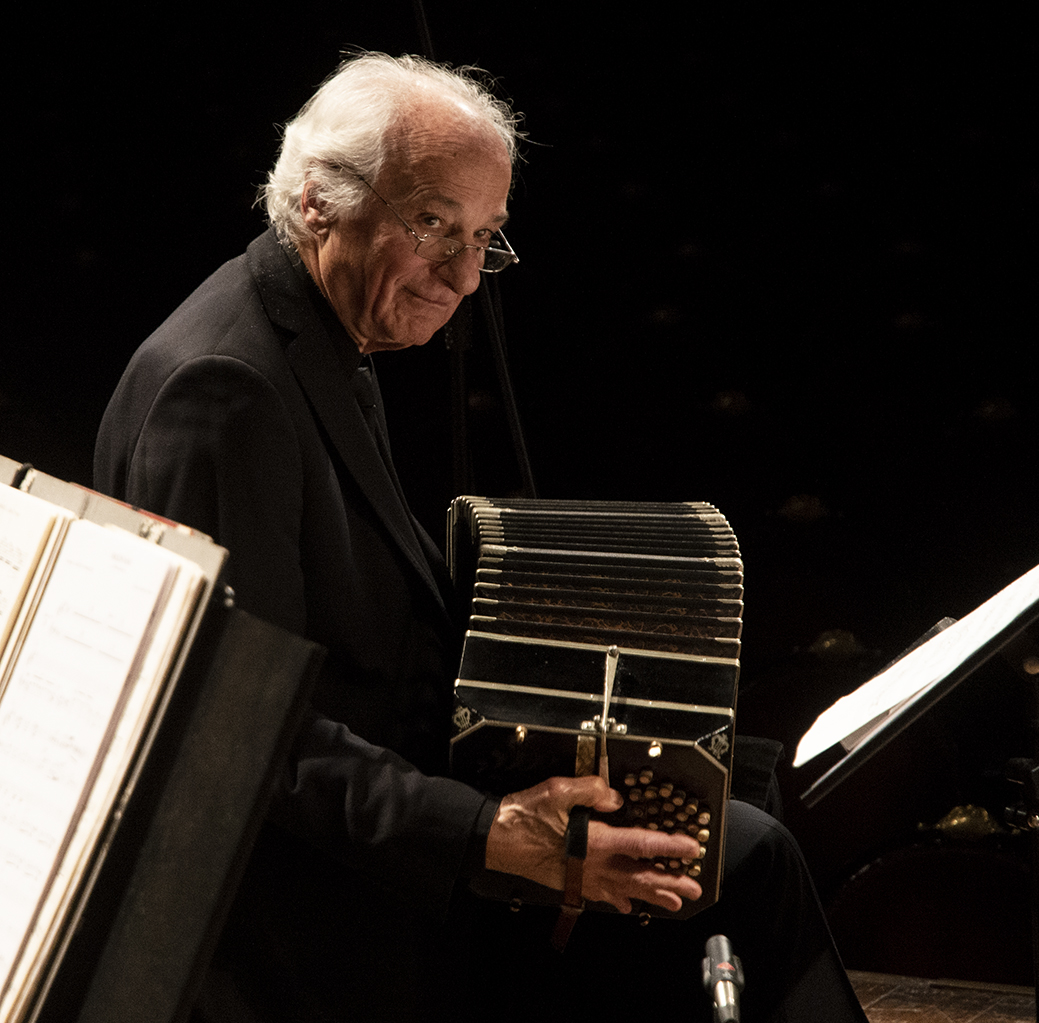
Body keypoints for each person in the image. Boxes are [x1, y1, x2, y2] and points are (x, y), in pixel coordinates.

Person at [95, 52, 867, 1022]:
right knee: (744, 868)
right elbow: (237, 736)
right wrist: (490, 832)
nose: (464, 276)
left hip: (385, 824)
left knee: (736, 813)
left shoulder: (321, 333)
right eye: (433, 225)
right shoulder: (226, 391)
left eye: (484, 238)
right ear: (319, 201)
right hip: (306, 909)